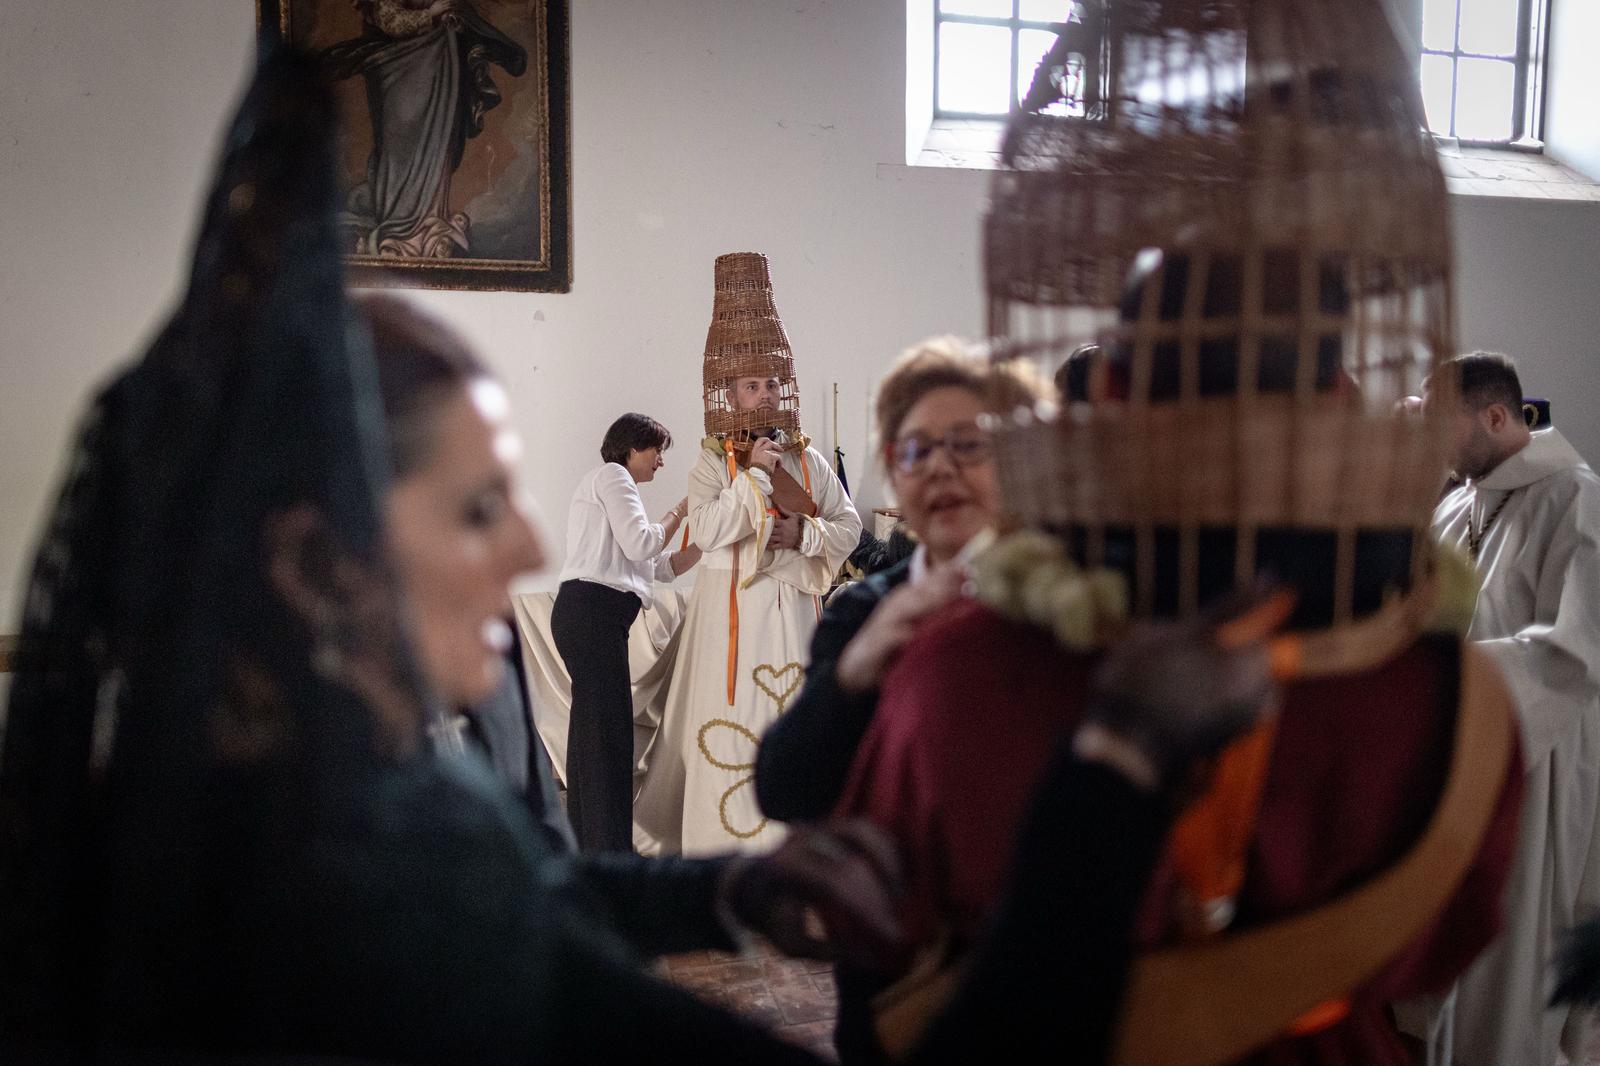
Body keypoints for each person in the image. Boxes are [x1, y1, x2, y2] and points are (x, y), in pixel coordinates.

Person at [0, 51, 1287, 1066]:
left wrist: (726, 887)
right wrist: (1114, 771)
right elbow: (496, 927)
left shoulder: (280, 792)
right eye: (473, 509)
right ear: (308, 560)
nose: (528, 544)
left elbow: (537, 899)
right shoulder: (376, 884)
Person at [833, 240, 1525, 1065]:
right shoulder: (1450, 698)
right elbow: (1454, 936)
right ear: (1337, 402)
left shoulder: (957, 674)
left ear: (1115, 403)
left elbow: (874, 944)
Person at [756, 339, 1049, 823]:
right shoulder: (860, 614)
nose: (939, 467)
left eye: (968, 445)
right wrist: (855, 671)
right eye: (916, 450)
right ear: (894, 466)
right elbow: (785, 790)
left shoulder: (1062, 598)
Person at [633, 253, 861, 857]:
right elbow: (707, 531)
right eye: (750, 386)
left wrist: (802, 536)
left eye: (769, 384)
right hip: (733, 612)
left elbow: (849, 526)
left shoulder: (809, 460)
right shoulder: (712, 461)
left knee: (797, 720)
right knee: (732, 722)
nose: (762, 397)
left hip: (795, 610)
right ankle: (725, 846)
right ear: (729, 392)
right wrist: (753, 479)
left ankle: (799, 841)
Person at [1411, 352, 1600, 1066]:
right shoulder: (1456, 502)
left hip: (1534, 761)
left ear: (1495, 416)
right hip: (1455, 758)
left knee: (1510, 971)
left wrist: (1439, 683)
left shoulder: (1576, 498)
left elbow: (1576, 650)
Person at [552, 413, 697, 853]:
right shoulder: (614, 477)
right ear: (632, 448)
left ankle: (591, 842)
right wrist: (682, 510)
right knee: (607, 736)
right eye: (657, 452)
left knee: (592, 734)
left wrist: (709, 537)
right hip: (592, 615)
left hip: (590, 617)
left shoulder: (614, 489)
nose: (660, 463)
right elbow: (642, 544)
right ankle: (610, 849)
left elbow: (659, 567)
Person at [323, 0, 527, 257]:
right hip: (398, 69)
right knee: (400, 144)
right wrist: (432, 14)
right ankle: (398, 225)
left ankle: (431, 220)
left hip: (441, 63)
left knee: (437, 141)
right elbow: (389, 18)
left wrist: (451, 18)